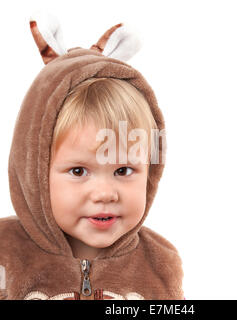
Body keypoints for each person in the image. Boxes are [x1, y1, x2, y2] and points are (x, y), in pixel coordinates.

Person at [0, 11, 184, 300]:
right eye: (78, 171)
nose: (105, 193)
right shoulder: (6, 254)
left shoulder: (159, 264)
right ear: (33, 172)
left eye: (123, 170)